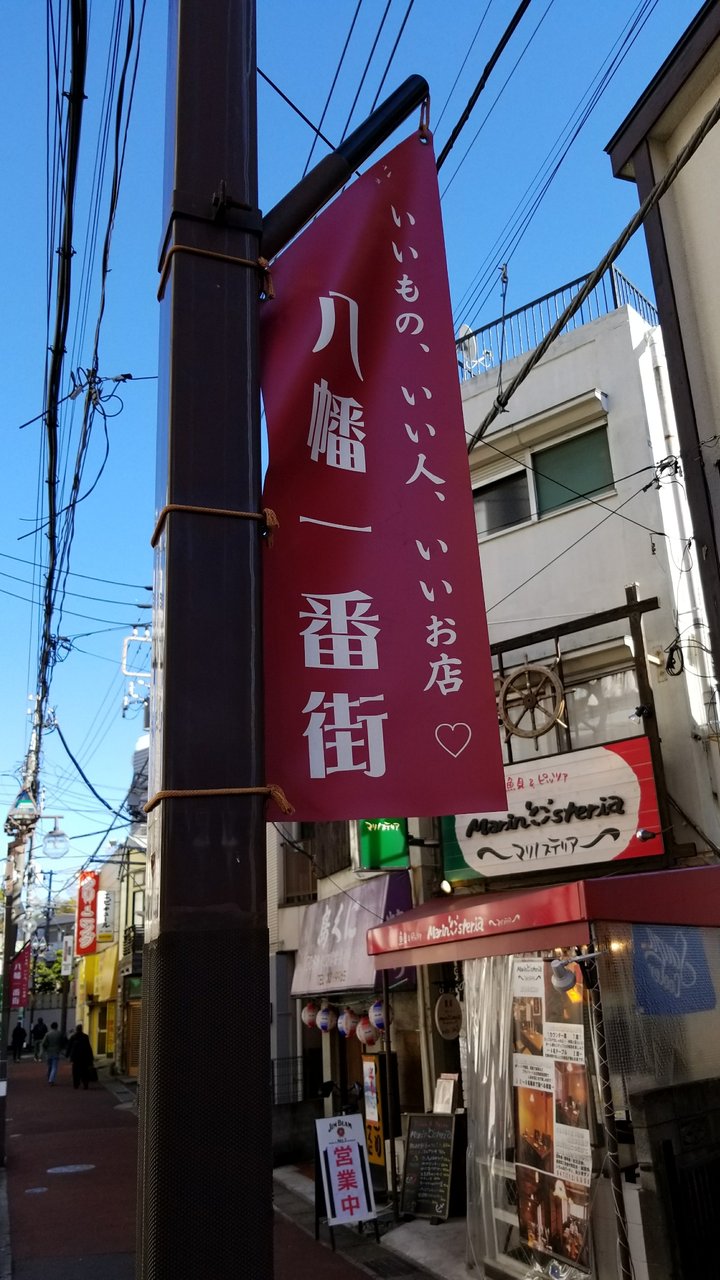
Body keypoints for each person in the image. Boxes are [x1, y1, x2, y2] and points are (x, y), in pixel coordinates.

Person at [66, 1023, 94, 1090]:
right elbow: (88, 1047)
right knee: (84, 1071)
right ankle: (85, 1084)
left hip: (75, 1057)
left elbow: (69, 1047)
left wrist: (67, 1054)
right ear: (81, 1029)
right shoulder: (85, 1037)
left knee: (75, 1071)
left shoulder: (73, 1037)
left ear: (76, 1029)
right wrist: (91, 1057)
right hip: (84, 1057)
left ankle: (76, 1084)